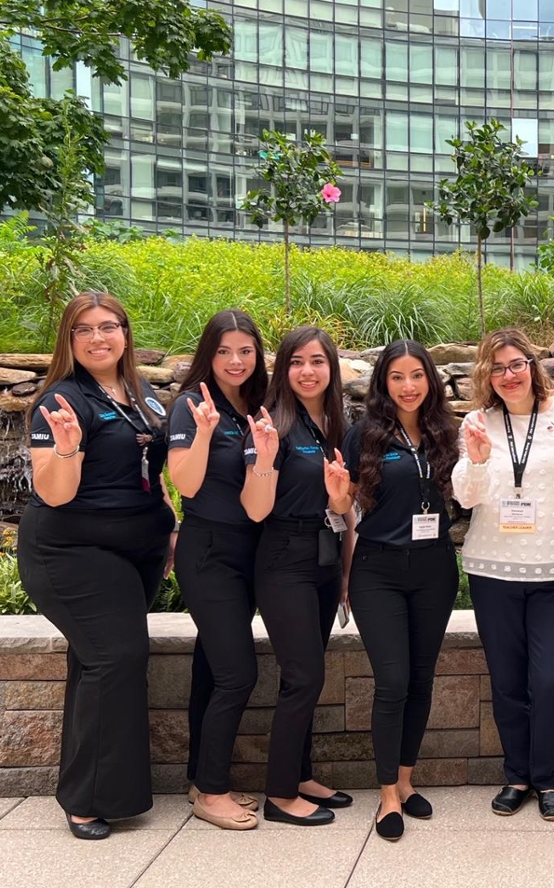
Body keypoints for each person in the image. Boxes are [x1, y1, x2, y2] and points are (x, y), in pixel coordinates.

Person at [19, 291, 176, 839]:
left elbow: (150, 470)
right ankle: (87, 800)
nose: (97, 337)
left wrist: (169, 520)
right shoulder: (60, 403)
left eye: (108, 326)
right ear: (69, 340)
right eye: (82, 330)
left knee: (96, 663)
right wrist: (65, 450)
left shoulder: (142, 394)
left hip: (140, 548)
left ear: (126, 334)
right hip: (73, 550)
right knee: (117, 658)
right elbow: (55, 495)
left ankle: (93, 788)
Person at [451, 328, 554, 823]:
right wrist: (475, 462)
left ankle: (548, 778)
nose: (508, 375)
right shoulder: (478, 421)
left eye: (516, 364)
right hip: (493, 568)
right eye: (496, 368)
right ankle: (517, 776)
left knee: (550, 680)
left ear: (533, 366)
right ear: (484, 376)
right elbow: (466, 498)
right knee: (508, 681)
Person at [340, 341, 460, 841]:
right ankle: (387, 794)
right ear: (383, 383)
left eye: (416, 376)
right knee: (392, 682)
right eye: (397, 377)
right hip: (378, 571)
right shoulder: (363, 435)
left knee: (421, 678)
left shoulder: (446, 433)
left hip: (434, 570)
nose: (408, 386)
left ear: (430, 380)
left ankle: (407, 782)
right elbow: (343, 503)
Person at [241, 326, 354, 827]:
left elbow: (344, 505)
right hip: (284, 556)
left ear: (331, 368)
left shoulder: (333, 423)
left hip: (325, 557)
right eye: (296, 362)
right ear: (283, 369)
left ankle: (302, 774)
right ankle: (280, 793)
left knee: (311, 672)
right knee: (302, 676)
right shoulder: (272, 425)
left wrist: (346, 570)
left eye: (317, 361)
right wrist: (264, 461)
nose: (307, 371)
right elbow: (255, 509)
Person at [167, 309, 269, 830]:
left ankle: (199, 776)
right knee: (237, 673)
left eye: (246, 351)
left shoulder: (253, 406)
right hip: (209, 551)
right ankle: (211, 791)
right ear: (209, 353)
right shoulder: (193, 405)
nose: (236, 360)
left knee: (212, 669)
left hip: (248, 550)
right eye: (225, 350)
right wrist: (204, 433)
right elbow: (184, 484)